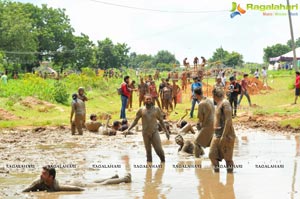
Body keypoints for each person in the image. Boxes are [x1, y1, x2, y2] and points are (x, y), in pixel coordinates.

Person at [123, 95, 170, 162]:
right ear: (144, 100)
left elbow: (161, 121)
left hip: (154, 132)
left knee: (159, 150)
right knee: (148, 153)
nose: (148, 100)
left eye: (150, 99)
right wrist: (128, 129)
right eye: (147, 99)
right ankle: (149, 169)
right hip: (145, 133)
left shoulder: (156, 109)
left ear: (152, 100)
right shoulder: (141, 110)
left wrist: (166, 131)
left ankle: (163, 164)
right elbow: (135, 121)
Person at [209, 88, 236, 173]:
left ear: (214, 95)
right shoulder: (218, 104)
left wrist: (224, 136)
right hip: (217, 135)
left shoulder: (225, 103)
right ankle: (217, 176)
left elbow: (228, 120)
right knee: (212, 155)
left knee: (228, 159)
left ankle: (230, 179)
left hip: (227, 135)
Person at [194, 87, 215, 158]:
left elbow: (200, 118)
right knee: (211, 143)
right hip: (214, 123)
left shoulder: (201, 104)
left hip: (207, 125)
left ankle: (197, 162)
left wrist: (198, 124)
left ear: (196, 95)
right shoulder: (209, 100)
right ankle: (214, 159)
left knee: (197, 143)